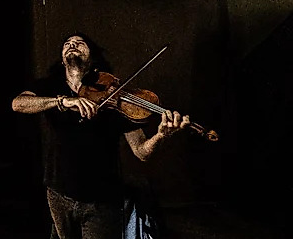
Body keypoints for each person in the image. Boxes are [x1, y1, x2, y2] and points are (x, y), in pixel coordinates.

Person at [11, 33, 190, 239]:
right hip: (59, 191)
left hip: (103, 200)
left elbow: (141, 151)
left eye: (80, 43)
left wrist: (160, 135)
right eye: (67, 44)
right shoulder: (50, 87)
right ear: (62, 59)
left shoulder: (115, 96)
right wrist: (63, 102)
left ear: (93, 58)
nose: (72, 45)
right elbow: (18, 103)